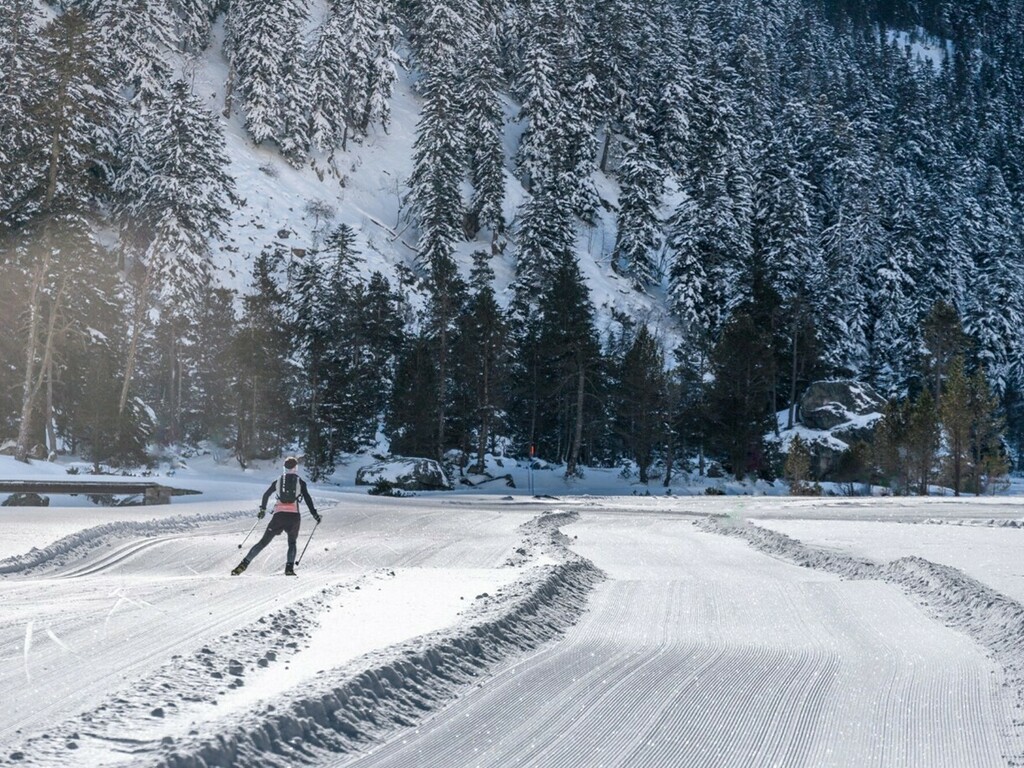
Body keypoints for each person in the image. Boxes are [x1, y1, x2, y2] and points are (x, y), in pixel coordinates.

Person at [231, 456, 321, 576]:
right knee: (292, 543)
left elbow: (266, 494)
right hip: (294, 517)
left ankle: (243, 564)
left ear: (284, 468)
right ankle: (289, 569)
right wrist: (315, 514)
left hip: (279, 516)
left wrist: (262, 509)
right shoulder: (300, 482)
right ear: (296, 468)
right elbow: (308, 499)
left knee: (263, 542)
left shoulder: (278, 481)